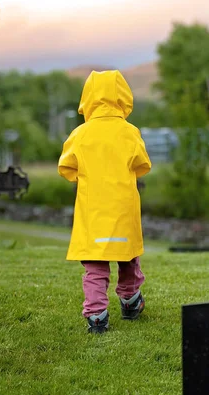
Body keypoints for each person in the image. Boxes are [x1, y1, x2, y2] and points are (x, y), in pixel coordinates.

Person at [58, 70, 152, 334]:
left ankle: (97, 314)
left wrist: (86, 174)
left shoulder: (80, 134)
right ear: (123, 97)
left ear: (87, 98)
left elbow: (66, 167)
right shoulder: (129, 132)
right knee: (127, 257)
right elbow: (142, 164)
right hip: (123, 207)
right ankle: (130, 300)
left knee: (95, 264)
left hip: (93, 210)